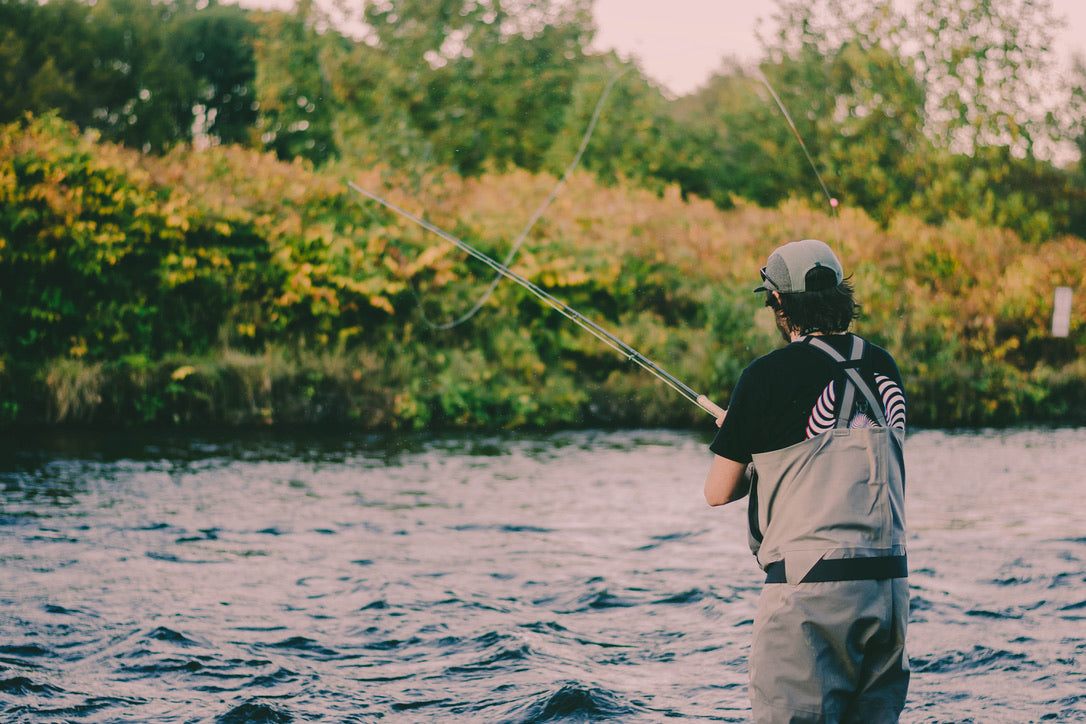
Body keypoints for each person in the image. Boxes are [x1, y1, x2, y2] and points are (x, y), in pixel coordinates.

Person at [704, 239, 909, 724]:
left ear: (779, 303)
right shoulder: (884, 365)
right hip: (889, 592)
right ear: (840, 294)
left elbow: (718, 492)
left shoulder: (764, 377)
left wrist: (745, 434)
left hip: (809, 598)